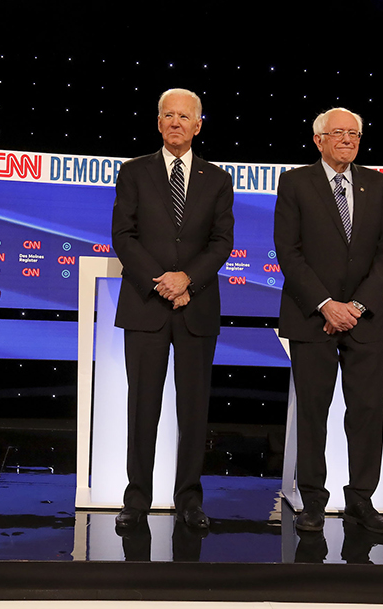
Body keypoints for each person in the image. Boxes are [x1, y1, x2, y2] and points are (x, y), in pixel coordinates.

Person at [111, 88, 234, 532]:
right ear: (158, 123)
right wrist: (163, 282)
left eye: (185, 116)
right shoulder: (134, 172)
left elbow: (222, 242)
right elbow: (123, 236)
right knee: (142, 405)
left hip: (196, 307)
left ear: (199, 125)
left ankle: (189, 500)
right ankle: (136, 500)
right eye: (169, 115)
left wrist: (188, 280)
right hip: (147, 305)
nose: (177, 122)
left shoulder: (217, 179)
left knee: (194, 408)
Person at [274, 107, 383, 535]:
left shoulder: (378, 185)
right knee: (313, 411)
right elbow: (288, 252)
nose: (348, 139)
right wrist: (327, 305)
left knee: (366, 411)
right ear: (318, 139)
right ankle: (312, 500)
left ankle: (361, 502)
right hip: (312, 317)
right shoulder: (294, 183)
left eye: (354, 133)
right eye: (339, 133)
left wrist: (356, 307)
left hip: (364, 320)